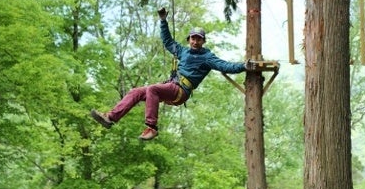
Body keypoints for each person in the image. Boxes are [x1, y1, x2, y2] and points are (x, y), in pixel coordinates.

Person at [89, 8, 252, 140]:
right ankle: (110, 118)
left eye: (199, 39)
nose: (195, 42)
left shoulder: (206, 57)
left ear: (203, 41)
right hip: (171, 86)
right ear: (189, 39)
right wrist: (163, 21)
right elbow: (168, 41)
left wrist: (243, 66)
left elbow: (224, 65)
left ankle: (151, 127)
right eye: (193, 39)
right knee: (136, 92)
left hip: (181, 91)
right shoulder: (183, 52)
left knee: (152, 89)